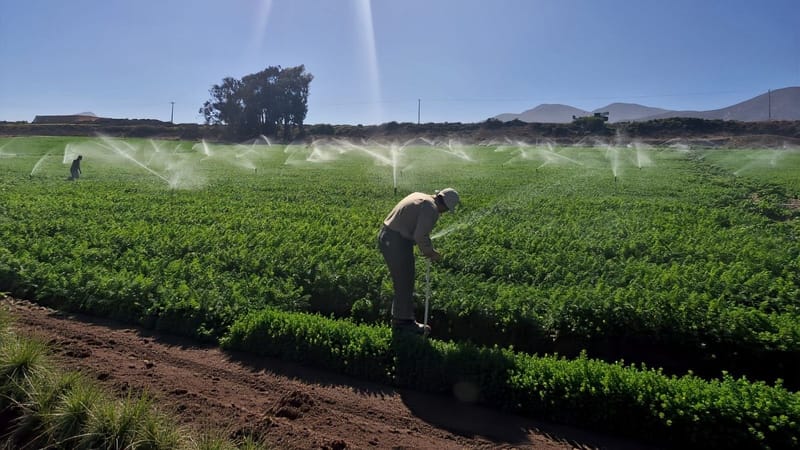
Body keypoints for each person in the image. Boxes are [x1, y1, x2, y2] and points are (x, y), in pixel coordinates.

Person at [378, 188, 460, 335]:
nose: (444, 213)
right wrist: (430, 253)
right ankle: (403, 323)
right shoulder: (431, 209)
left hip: (388, 236)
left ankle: (400, 318)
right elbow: (420, 235)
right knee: (404, 281)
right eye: (447, 210)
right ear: (445, 206)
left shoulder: (421, 196)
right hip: (396, 242)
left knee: (403, 280)